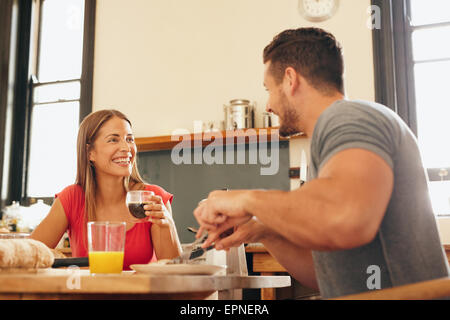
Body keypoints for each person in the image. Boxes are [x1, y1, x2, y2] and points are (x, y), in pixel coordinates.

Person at [193, 27, 449, 298]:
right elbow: (325, 277)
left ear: (290, 79)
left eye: (268, 89)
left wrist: (245, 199)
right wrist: (262, 230)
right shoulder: (334, 144)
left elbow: (347, 220)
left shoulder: (348, 119)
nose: (268, 105)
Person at [31, 109, 182, 270]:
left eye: (129, 139)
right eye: (113, 140)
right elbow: (29, 253)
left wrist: (168, 225)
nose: (126, 147)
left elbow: (173, 273)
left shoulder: (152, 198)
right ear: (90, 152)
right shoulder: (72, 198)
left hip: (140, 295)